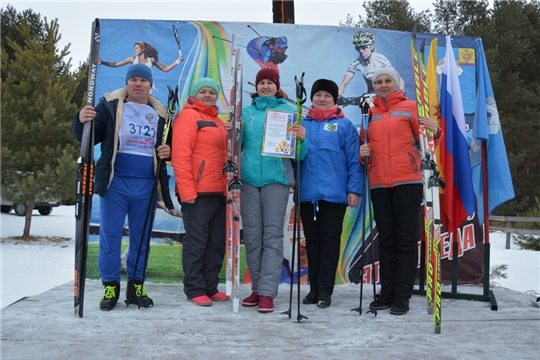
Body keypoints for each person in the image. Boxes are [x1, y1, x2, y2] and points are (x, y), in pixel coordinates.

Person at [73, 63, 174, 311]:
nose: (138, 84)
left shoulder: (161, 112)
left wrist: (168, 150)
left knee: (141, 238)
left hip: (147, 185)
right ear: (127, 83)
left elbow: (170, 145)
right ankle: (110, 286)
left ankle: (136, 287)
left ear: (151, 85)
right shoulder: (110, 105)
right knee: (110, 235)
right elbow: (88, 136)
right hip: (115, 182)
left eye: (143, 80)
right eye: (134, 80)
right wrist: (80, 120)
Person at [359, 67, 441, 315]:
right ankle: (386, 292)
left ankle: (402, 296)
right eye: (378, 81)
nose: (383, 85)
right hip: (379, 182)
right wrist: (363, 155)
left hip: (408, 180)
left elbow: (428, 142)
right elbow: (364, 146)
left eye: (387, 81)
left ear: (396, 83)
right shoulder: (368, 112)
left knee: (405, 240)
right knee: (386, 240)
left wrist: (436, 131)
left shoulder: (412, 107)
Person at [240, 68, 307, 313]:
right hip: (248, 181)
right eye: (261, 83)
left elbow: (299, 155)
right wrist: (231, 131)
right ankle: (257, 288)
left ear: (277, 86)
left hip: (276, 181)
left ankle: (267, 292)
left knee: (272, 237)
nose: (265, 86)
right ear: (256, 87)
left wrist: (301, 138)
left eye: (270, 82)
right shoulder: (245, 113)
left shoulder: (289, 112)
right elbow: (235, 147)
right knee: (253, 238)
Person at [298, 79, 363, 308]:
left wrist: (354, 189)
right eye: (318, 95)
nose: (322, 98)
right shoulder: (301, 124)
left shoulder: (344, 126)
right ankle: (313, 289)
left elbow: (355, 161)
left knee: (330, 241)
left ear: (334, 99)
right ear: (312, 98)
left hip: (335, 196)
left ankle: (326, 291)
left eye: (327, 95)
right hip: (307, 194)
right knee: (312, 243)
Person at [171, 77, 232, 307]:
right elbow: (180, 155)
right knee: (197, 242)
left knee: (215, 243)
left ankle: (210, 286)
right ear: (195, 94)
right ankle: (195, 288)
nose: (208, 95)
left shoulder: (217, 120)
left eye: (212, 92)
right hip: (198, 191)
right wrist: (187, 190)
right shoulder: (188, 117)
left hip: (219, 191)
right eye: (203, 91)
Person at [337, 30, 405, 101]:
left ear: (371, 47)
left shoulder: (380, 59)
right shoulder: (355, 62)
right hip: (372, 95)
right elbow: (344, 83)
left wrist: (401, 92)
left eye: (364, 48)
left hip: (387, 94)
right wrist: (338, 96)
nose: (361, 51)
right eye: (358, 48)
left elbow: (399, 79)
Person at [99, 41, 184, 88]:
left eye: (136, 48)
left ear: (142, 49)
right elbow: (116, 64)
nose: (135, 50)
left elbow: (165, 69)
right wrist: (102, 62)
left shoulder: (152, 60)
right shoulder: (132, 59)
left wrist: (178, 61)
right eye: (134, 49)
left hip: (147, 88)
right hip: (135, 87)